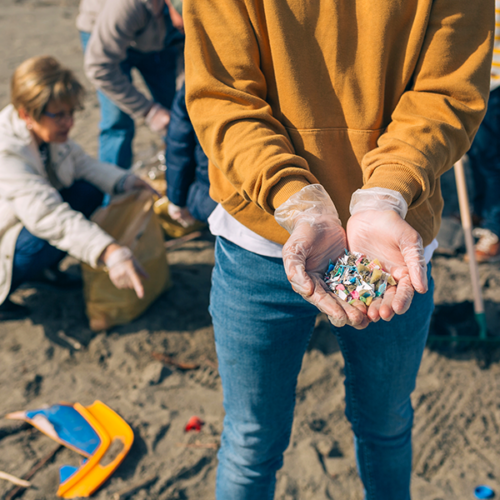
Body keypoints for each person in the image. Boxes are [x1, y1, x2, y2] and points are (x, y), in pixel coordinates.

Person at [183, 1, 493, 499]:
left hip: (394, 239)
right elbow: (222, 96)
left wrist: (384, 192)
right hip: (260, 237)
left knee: (387, 424)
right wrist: (296, 199)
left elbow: (447, 93)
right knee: (251, 437)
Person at [0, 56, 155, 321]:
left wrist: (126, 181)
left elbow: (83, 164)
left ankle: (43, 272)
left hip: (32, 215)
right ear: (27, 113)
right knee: (40, 236)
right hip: (11, 233)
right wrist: (109, 251)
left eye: (71, 112)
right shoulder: (7, 151)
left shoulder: (46, 132)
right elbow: (47, 215)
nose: (69, 122)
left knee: (88, 190)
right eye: (59, 115)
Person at [76, 0, 182, 170]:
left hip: (158, 36)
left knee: (177, 111)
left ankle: (176, 179)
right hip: (105, 32)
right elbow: (99, 67)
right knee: (118, 122)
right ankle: (115, 189)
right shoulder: (128, 5)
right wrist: (149, 111)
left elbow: (186, 53)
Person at [467, 0, 500, 262]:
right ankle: (478, 211)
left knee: (492, 161)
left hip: (496, 85)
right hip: (476, 84)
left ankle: (493, 228)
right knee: (477, 155)